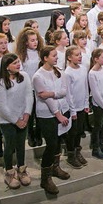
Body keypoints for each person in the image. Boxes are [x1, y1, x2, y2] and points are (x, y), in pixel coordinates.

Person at [32, 46, 71, 194]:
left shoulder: (59, 71)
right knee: (51, 144)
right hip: (46, 114)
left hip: (61, 109)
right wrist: (57, 114)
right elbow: (44, 99)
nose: (57, 57)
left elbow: (64, 91)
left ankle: (56, 167)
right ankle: (45, 178)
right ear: (45, 58)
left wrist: (51, 93)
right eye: (54, 56)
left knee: (58, 142)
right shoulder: (38, 76)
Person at [0, 53, 33, 189]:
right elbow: (2, 106)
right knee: (10, 145)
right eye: (14, 63)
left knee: (21, 144)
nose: (18, 64)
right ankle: (9, 172)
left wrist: (27, 114)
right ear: (6, 67)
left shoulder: (25, 77)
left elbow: (29, 95)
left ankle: (22, 170)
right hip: (6, 120)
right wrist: (16, 120)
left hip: (23, 117)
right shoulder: (0, 83)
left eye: (18, 62)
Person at [16, 27, 43, 147]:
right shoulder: (22, 55)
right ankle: (30, 134)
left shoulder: (40, 53)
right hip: (28, 89)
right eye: (32, 40)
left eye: (36, 40)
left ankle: (39, 134)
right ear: (26, 42)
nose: (35, 42)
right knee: (30, 114)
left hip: (40, 88)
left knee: (39, 113)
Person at [64, 46, 90, 168]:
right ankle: (71, 154)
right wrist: (72, 110)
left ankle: (77, 151)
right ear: (69, 57)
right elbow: (68, 93)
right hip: (73, 108)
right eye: (76, 55)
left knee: (79, 131)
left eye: (80, 54)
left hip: (82, 105)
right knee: (72, 132)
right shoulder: (68, 73)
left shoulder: (83, 69)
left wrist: (86, 103)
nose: (80, 57)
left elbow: (85, 86)